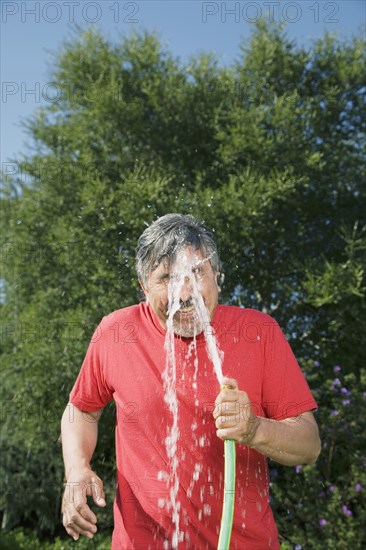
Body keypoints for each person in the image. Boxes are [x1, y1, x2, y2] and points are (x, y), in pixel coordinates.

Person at [61, 213, 321, 549]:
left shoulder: (259, 332)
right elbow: (81, 410)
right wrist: (77, 470)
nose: (183, 293)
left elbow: (310, 445)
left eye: (196, 273)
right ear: (143, 287)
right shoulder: (116, 332)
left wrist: (255, 429)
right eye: (166, 277)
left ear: (217, 276)